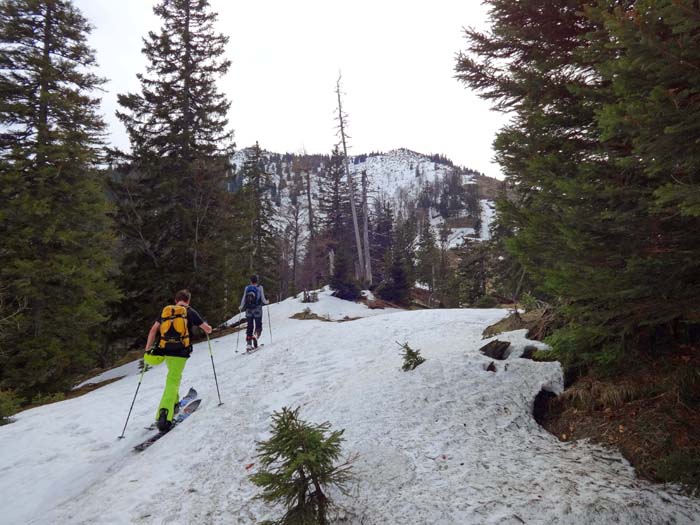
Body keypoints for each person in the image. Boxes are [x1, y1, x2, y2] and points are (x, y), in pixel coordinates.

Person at [144, 289, 212, 431]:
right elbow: (207, 329)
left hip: (165, 350)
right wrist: (208, 327)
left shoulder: (167, 311)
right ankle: (164, 415)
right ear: (188, 300)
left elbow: (153, 330)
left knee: (173, 376)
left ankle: (173, 404)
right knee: (173, 380)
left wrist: (147, 349)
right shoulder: (190, 311)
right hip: (180, 352)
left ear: (176, 300)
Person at [239, 274, 269, 351]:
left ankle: (249, 344)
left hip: (248, 309)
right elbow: (263, 299)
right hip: (257, 309)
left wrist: (241, 307)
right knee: (258, 324)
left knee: (249, 326)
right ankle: (255, 335)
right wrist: (267, 302)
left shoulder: (247, 288)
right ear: (257, 280)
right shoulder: (260, 287)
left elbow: (243, 298)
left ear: (250, 281)